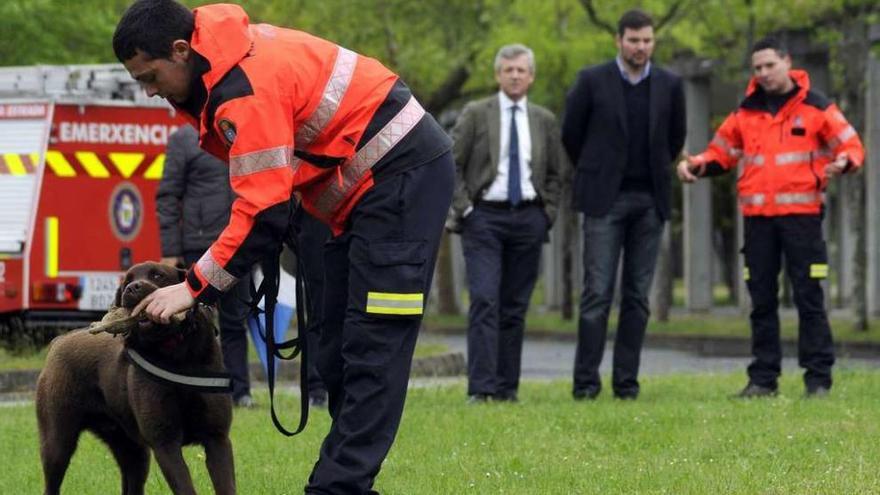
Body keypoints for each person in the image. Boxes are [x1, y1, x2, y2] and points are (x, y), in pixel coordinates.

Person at [113, 1, 454, 493]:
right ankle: (350, 484)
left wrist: (193, 289)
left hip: (403, 180)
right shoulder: (224, 67)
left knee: (373, 346)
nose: (149, 89)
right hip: (355, 199)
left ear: (181, 50)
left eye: (149, 75)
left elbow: (262, 213)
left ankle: (336, 487)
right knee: (334, 347)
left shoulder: (242, 87)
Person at [677, 36, 864, 398]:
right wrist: (695, 166)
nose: (763, 73)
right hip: (758, 220)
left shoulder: (817, 107)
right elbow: (721, 153)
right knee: (761, 301)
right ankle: (763, 379)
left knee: (810, 299)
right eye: (757, 68)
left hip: (803, 219)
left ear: (786, 62)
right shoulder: (744, 113)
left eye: (769, 66)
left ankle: (817, 380)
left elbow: (851, 143)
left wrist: (845, 162)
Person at [561, 9, 686, 401]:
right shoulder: (591, 80)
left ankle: (626, 384)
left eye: (647, 40)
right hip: (604, 201)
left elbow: (675, 136)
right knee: (597, 293)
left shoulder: (670, 84)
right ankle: (585, 384)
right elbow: (571, 136)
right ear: (618, 41)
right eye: (634, 40)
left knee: (637, 297)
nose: (641, 47)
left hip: (650, 200)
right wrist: (597, 172)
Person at [447, 44, 563, 403]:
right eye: (508, 69)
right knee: (484, 299)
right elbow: (451, 163)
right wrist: (465, 209)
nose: (515, 75)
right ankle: (480, 388)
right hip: (484, 218)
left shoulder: (544, 119)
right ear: (497, 75)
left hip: (529, 218)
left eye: (521, 70)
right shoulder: (476, 113)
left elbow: (557, 174)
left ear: (531, 76)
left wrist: (547, 213)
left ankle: (506, 389)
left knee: (515, 306)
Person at [156, 124, 256, 408]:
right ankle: (189, 391)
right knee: (191, 322)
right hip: (198, 247)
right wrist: (171, 250)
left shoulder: (240, 131)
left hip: (238, 244)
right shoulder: (184, 139)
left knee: (235, 321)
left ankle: (240, 393)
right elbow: (167, 197)